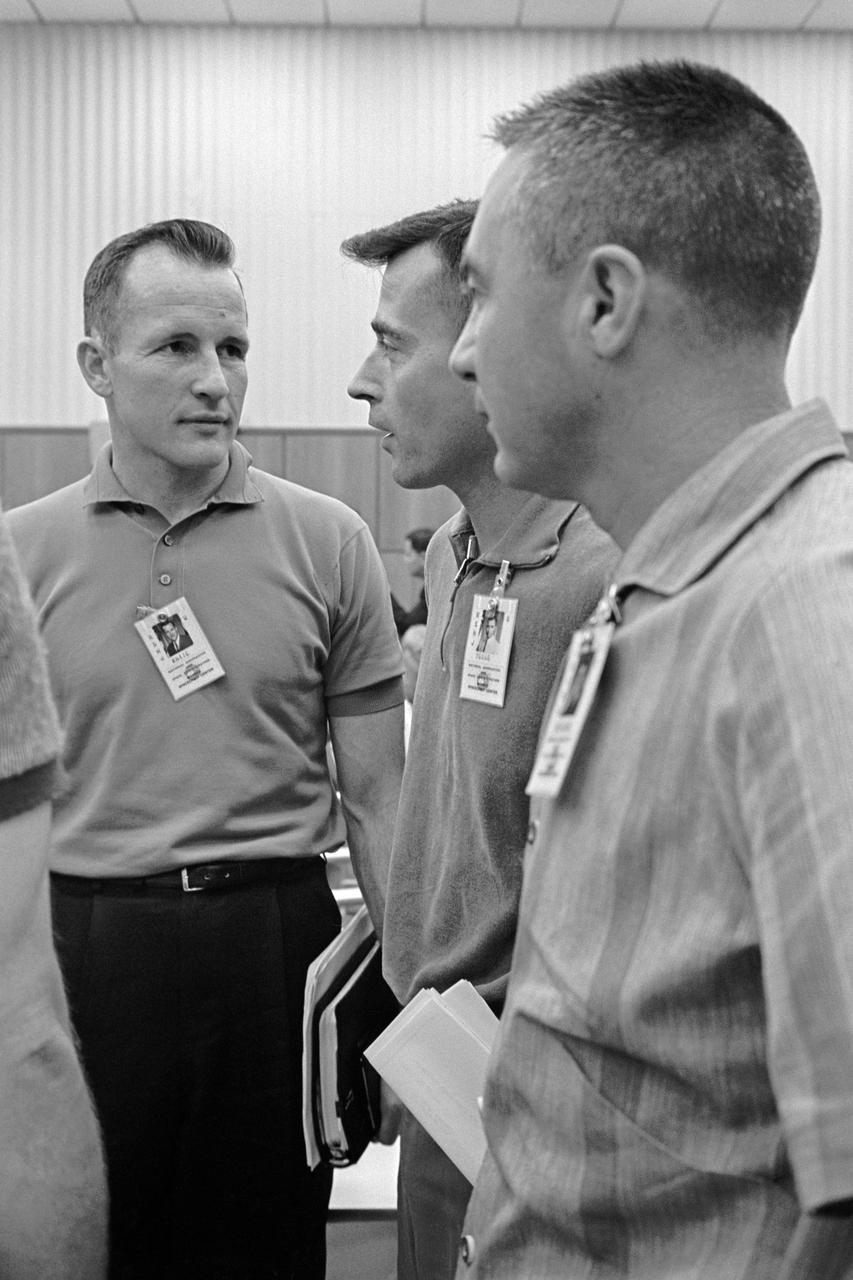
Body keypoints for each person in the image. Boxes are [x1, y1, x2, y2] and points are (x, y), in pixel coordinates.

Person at [449, 59, 853, 1278]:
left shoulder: (804, 614)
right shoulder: (669, 587)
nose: (462, 352)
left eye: (476, 294)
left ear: (605, 302)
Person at [9, 218, 404, 1280]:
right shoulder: (18, 554)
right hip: (84, 945)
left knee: (268, 1246)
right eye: (175, 347)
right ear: (96, 365)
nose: (214, 379)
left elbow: (378, 799)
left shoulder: (330, 540)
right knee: (90, 1240)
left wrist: (406, 996)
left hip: (275, 945)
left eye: (232, 349)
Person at [343, 200, 616, 1280]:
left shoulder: (603, 575)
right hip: (438, 1078)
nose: (362, 380)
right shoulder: (453, 548)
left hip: (535, 1102)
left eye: (388, 342)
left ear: (479, 352)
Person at [0, 501, 107, 1278]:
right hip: (88, 901)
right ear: (96, 370)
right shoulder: (30, 540)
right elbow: (20, 1029)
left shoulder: (323, 535)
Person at [391, 526, 433, 636]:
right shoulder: (429, 587)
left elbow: (408, 626)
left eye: (408, 554)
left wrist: (384, 593)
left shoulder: (434, 590)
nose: (405, 560)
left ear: (424, 556)